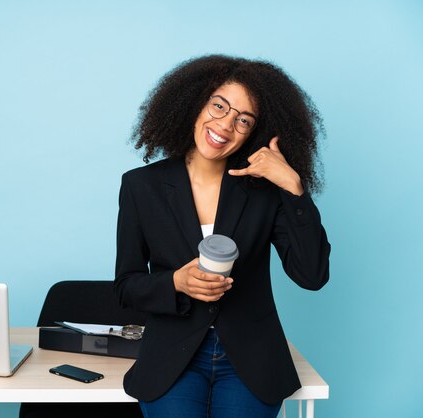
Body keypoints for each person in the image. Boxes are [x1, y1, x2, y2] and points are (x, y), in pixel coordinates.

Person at [114, 55, 331, 418]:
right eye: (219, 106)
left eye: (243, 120)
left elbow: (312, 275)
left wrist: (294, 187)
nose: (225, 125)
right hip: (173, 358)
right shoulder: (142, 186)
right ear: (195, 102)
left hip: (250, 360)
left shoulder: (265, 192)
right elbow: (125, 287)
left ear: (256, 132)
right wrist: (176, 283)